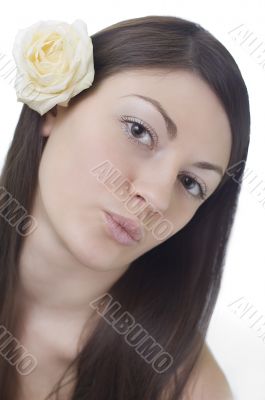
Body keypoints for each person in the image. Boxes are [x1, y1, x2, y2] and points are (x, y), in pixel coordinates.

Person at [0, 14, 250, 400]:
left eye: (191, 183)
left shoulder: (191, 391)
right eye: (139, 130)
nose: (156, 196)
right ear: (55, 107)